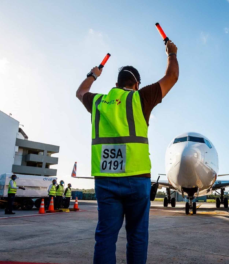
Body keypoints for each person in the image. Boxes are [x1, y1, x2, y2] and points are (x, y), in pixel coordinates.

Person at [76, 40, 179, 264]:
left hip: (106, 179)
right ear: (137, 84)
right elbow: (171, 77)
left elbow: (80, 91)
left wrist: (93, 74)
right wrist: (171, 53)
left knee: (105, 237)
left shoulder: (98, 102)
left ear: (116, 83)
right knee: (137, 236)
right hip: (136, 177)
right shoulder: (141, 98)